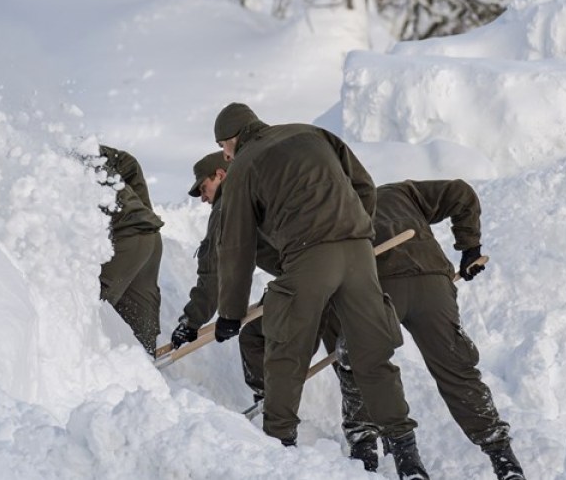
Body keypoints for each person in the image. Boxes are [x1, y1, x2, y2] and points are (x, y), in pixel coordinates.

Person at [210, 103, 429, 478]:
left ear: (230, 141)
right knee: (373, 353)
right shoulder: (314, 134)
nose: (226, 157)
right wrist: (352, 227)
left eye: (223, 150)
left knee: (286, 351)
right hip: (358, 251)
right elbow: (363, 185)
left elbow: (236, 246)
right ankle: (408, 458)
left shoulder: (244, 165)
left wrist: (230, 314)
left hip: (310, 256)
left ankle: (279, 448)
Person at [169, 151, 377, 469]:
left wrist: (193, 320)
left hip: (307, 282)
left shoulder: (230, 205)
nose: (202, 198)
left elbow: (214, 268)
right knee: (347, 353)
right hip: (345, 269)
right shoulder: (267, 185)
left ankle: (278, 428)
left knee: (268, 340)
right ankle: (366, 442)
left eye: (203, 188)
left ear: (221, 176)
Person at [354, 179, 524, 479]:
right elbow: (461, 192)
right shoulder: (401, 191)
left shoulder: (334, 204)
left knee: (364, 363)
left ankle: (382, 451)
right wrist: (470, 247)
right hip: (432, 283)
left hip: (379, 286)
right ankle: (504, 459)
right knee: (457, 369)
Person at [98, 144, 164, 354]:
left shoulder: (57, 158)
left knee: (90, 306)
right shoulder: (88, 152)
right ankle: (145, 370)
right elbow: (130, 164)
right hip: (147, 234)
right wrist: (142, 213)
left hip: (126, 236)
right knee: (139, 318)